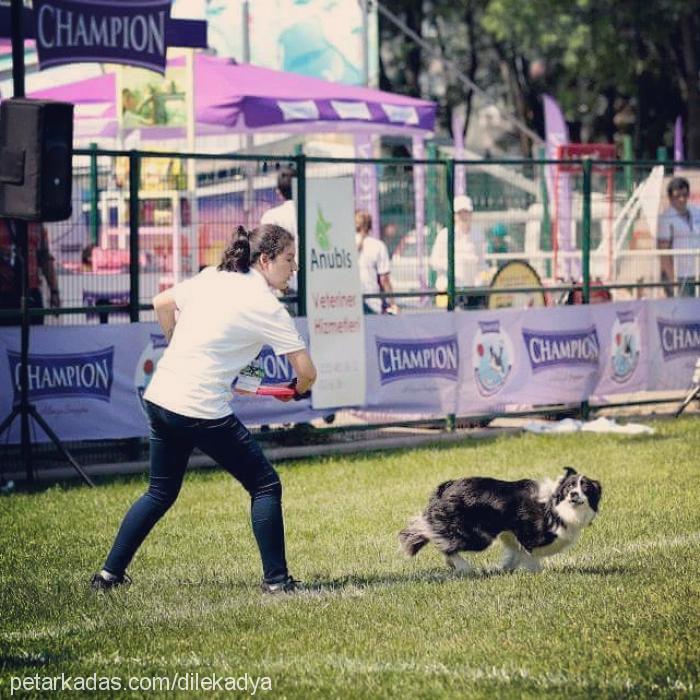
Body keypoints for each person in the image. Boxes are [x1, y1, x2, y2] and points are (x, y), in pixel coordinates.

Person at [91, 224, 317, 594]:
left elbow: (162, 303)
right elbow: (307, 373)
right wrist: (293, 391)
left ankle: (107, 576)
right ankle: (277, 582)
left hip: (161, 397)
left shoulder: (213, 275)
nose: (294, 268)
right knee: (265, 485)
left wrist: (175, 341)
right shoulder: (267, 307)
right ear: (265, 260)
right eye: (290, 259)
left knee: (159, 492)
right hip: (198, 407)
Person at [429, 195, 487, 308]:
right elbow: (434, 261)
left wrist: (484, 275)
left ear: (471, 214)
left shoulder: (478, 234)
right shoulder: (444, 235)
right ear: (454, 215)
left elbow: (481, 262)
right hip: (449, 290)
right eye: (460, 213)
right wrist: (453, 264)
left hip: (473, 290)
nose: (463, 216)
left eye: (466, 212)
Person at [0, 218, 60, 326]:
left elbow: (45, 257)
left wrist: (54, 291)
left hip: (32, 293)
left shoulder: (36, 223)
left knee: (35, 338)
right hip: (4, 295)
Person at [658, 176, 700, 297]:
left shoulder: (696, 211)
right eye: (677, 196)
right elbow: (663, 253)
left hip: (696, 272)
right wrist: (673, 281)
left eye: (685, 195)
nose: (682, 199)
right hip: (679, 276)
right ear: (670, 198)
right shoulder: (666, 218)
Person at [355, 210, 398, 314]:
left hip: (350, 303)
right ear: (370, 226)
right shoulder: (378, 246)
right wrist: (393, 303)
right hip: (372, 302)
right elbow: (384, 280)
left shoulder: (344, 245)